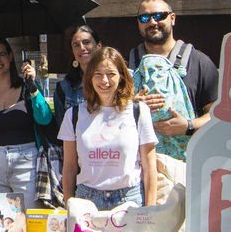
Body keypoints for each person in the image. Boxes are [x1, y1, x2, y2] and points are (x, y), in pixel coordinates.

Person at [59, 47, 158, 209]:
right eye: (98, 74)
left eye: (111, 74)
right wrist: (69, 206)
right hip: (87, 201)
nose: (104, 81)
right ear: (90, 78)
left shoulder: (138, 111)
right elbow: (69, 167)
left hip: (129, 200)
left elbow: (149, 166)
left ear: (121, 77)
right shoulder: (73, 115)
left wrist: (150, 211)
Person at [127, 0, 219, 160]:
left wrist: (188, 126)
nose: (152, 22)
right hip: (139, 168)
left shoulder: (198, 62)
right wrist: (131, 105)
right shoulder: (129, 66)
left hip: (187, 165)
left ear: (173, 18)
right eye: (144, 18)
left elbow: (218, 114)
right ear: (138, 23)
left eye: (159, 16)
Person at [0, 38, 53, 209]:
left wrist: (33, 88)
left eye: (1, 55)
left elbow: (45, 118)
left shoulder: (27, 87)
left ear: (10, 57)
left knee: (32, 221)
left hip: (26, 162)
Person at [54, 25, 103, 128]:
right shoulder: (63, 88)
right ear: (73, 52)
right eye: (76, 45)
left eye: (86, 42)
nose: (82, 48)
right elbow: (63, 129)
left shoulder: (115, 80)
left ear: (98, 46)